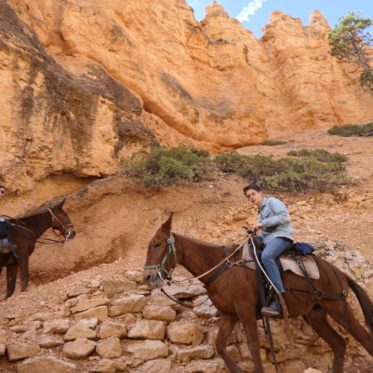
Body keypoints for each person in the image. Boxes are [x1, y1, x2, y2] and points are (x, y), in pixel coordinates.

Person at [243, 183, 294, 317]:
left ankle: (280, 298)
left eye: (253, 194)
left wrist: (261, 224)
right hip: (269, 239)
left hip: (282, 236)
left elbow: (284, 217)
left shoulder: (272, 202)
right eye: (248, 196)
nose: (251, 198)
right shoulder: (259, 212)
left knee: (267, 256)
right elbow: (265, 234)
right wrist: (254, 231)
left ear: (261, 193)